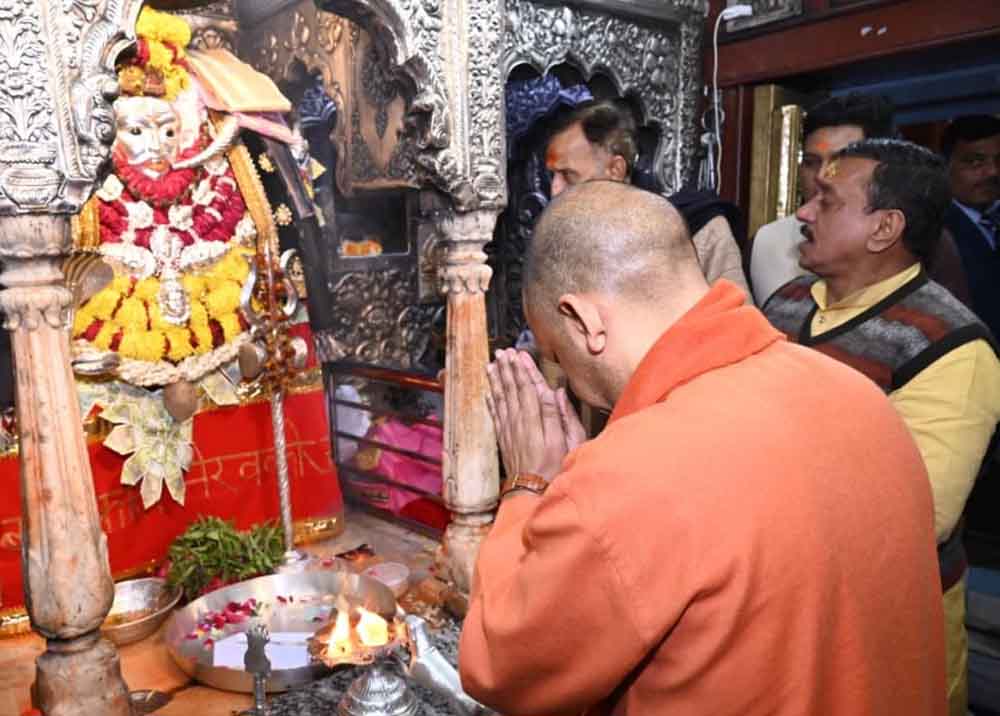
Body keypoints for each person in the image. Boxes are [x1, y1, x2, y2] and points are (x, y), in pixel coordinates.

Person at [459, 180, 947, 715]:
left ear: (584, 321)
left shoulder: (630, 476)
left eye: (557, 354)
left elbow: (500, 667)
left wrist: (528, 487)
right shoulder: (858, 394)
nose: (568, 381)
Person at [763, 138, 1000, 716]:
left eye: (827, 200)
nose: (803, 212)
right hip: (783, 605)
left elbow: (918, 515)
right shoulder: (787, 303)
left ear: (884, 228)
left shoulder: (953, 346)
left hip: (886, 623)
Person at [749, 93, 968, 306]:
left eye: (839, 162)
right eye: (811, 162)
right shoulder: (766, 242)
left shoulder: (923, 242)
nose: (821, 176)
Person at [545, 100, 750, 293]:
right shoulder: (562, 244)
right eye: (552, 176)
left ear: (615, 170)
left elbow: (739, 318)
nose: (555, 190)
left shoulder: (700, 229)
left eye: (568, 175)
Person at [941, 114, 1000, 340]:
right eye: (975, 162)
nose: (993, 172)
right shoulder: (933, 230)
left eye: (999, 160)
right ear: (945, 166)